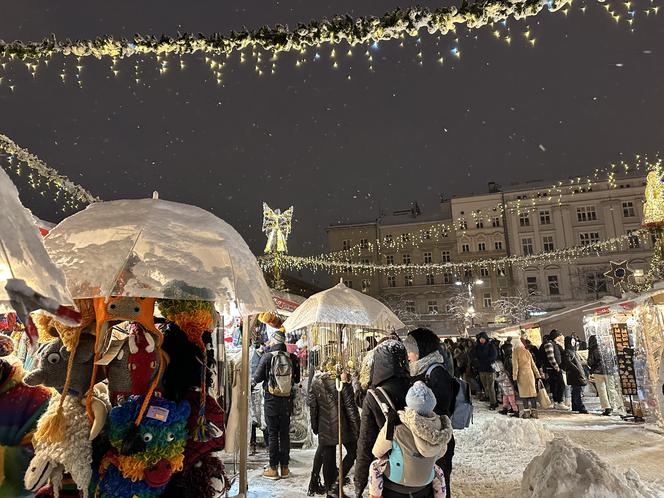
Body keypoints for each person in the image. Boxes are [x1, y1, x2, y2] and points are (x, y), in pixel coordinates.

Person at [368, 382, 453, 498]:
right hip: (426, 479)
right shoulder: (441, 428)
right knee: (439, 473)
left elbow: (377, 451)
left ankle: (375, 496)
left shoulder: (395, 425)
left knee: (374, 466)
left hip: (397, 477)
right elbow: (441, 453)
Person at [404, 328, 458, 498]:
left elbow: (442, 410)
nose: (408, 354)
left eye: (411, 350)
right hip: (425, 441)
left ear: (421, 349)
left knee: (440, 485)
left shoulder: (437, 372)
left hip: (438, 441)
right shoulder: (418, 369)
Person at [355, 340, 411, 498]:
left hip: (391, 477)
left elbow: (365, 443)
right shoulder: (417, 388)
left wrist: (359, 483)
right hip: (420, 475)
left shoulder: (374, 396)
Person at [251, 329, 301, 479]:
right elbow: (297, 380)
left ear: (274, 341)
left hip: (271, 401)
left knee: (273, 434)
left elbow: (258, 378)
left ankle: (273, 468)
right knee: (284, 434)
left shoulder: (267, 357)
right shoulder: (292, 357)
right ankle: (285, 468)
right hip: (286, 401)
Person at [309, 358, 360, 497]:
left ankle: (330, 490)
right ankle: (337, 484)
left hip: (325, 426)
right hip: (343, 425)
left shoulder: (315, 381)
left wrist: (315, 427)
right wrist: (358, 428)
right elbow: (350, 407)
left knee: (328, 458)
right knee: (353, 451)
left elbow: (313, 407)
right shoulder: (343, 381)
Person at [512, 337, 541, 419]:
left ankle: (527, 413)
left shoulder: (515, 352)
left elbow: (515, 366)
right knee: (532, 395)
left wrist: (514, 377)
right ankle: (535, 413)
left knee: (524, 395)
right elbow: (533, 365)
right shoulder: (527, 351)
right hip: (530, 374)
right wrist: (537, 375)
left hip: (522, 375)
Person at [542, 330, 569, 410]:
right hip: (553, 369)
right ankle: (559, 402)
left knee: (556, 385)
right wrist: (557, 367)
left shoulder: (555, 344)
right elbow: (551, 357)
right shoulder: (549, 344)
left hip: (554, 368)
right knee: (560, 384)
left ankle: (556, 401)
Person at [587, 335, 614, 416]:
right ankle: (615, 405)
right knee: (611, 389)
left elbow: (590, 362)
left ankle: (607, 408)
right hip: (609, 371)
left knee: (602, 391)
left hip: (598, 371)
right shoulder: (606, 347)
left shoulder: (593, 349)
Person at [472, 331, 498, 409]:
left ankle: (493, 402)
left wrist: (484, 360)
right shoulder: (477, 346)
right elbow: (475, 355)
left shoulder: (491, 346)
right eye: (480, 338)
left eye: (483, 338)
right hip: (481, 369)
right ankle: (488, 397)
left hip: (489, 369)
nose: (481, 340)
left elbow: (494, 356)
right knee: (485, 386)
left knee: (490, 387)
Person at [562, 335, 588, 414]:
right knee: (577, 390)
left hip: (574, 373)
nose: (574, 343)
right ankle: (580, 406)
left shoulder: (571, 351)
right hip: (574, 374)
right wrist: (576, 369)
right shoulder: (568, 351)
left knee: (576, 390)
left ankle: (575, 406)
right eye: (572, 342)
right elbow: (568, 362)